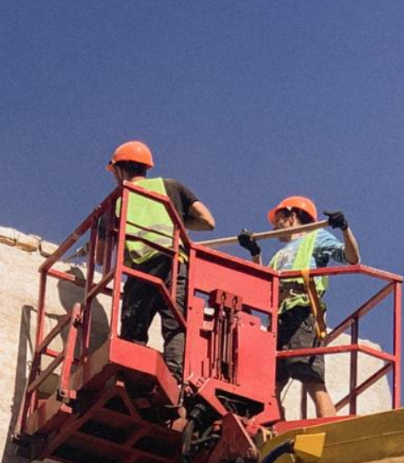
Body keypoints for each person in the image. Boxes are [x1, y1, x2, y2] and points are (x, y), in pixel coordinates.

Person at [238, 196, 359, 419]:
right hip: (279, 318)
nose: (274, 227)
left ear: (292, 217)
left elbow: (352, 258)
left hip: (302, 311)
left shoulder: (316, 237)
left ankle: (329, 427)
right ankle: (275, 432)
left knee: (311, 377)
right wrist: (255, 253)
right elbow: (265, 286)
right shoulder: (278, 256)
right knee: (271, 385)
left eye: (278, 220)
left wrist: (344, 228)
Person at [106, 141, 215, 382]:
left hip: (141, 270)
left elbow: (102, 248)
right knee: (175, 321)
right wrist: (178, 220)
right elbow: (208, 221)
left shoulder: (118, 200)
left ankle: (132, 377)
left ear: (119, 169)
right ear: (146, 168)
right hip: (175, 264)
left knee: (134, 326)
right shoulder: (171, 187)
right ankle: (175, 377)